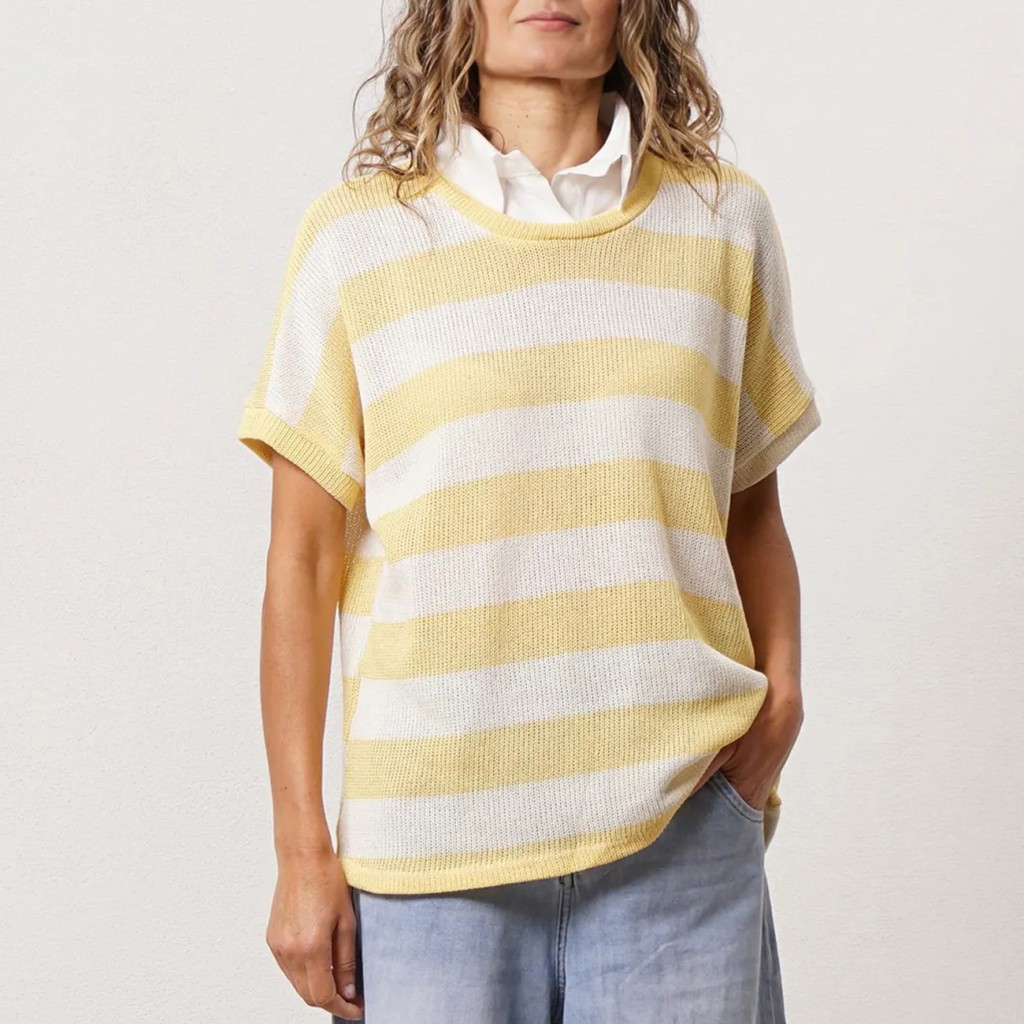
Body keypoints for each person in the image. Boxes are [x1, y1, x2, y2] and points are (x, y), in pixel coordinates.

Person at [235, 1, 821, 1021]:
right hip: (431, 858)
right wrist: (300, 850)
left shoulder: (723, 221)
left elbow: (749, 512)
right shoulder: (357, 240)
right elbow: (301, 559)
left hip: (681, 835)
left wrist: (782, 704)